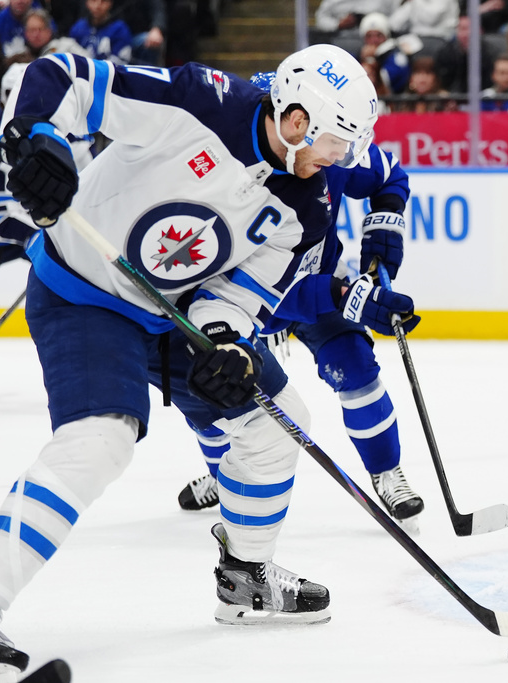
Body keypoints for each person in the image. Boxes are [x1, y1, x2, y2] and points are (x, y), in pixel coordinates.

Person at [0, 43, 418, 676]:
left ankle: (245, 575)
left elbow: (235, 297)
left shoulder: (306, 211)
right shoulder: (200, 101)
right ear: (298, 119)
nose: (341, 160)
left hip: (174, 315)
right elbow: (67, 75)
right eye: (336, 142)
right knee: (100, 441)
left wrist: (225, 342)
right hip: (85, 293)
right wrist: (35, 132)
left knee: (279, 423)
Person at [178, 71, 424, 526]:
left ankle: (388, 473)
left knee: (355, 367)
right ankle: (224, 472)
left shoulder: (323, 150)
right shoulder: (224, 176)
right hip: (238, 300)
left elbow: (388, 176)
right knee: (213, 388)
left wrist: (385, 225)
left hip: (318, 284)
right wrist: (352, 297)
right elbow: (243, 287)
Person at [69, 0, 133, 65]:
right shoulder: (79, 26)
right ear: (87, 2)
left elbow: (121, 63)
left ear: (110, 3)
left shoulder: (119, 29)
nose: (97, 6)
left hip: (108, 72)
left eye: (103, 1)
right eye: (93, 1)